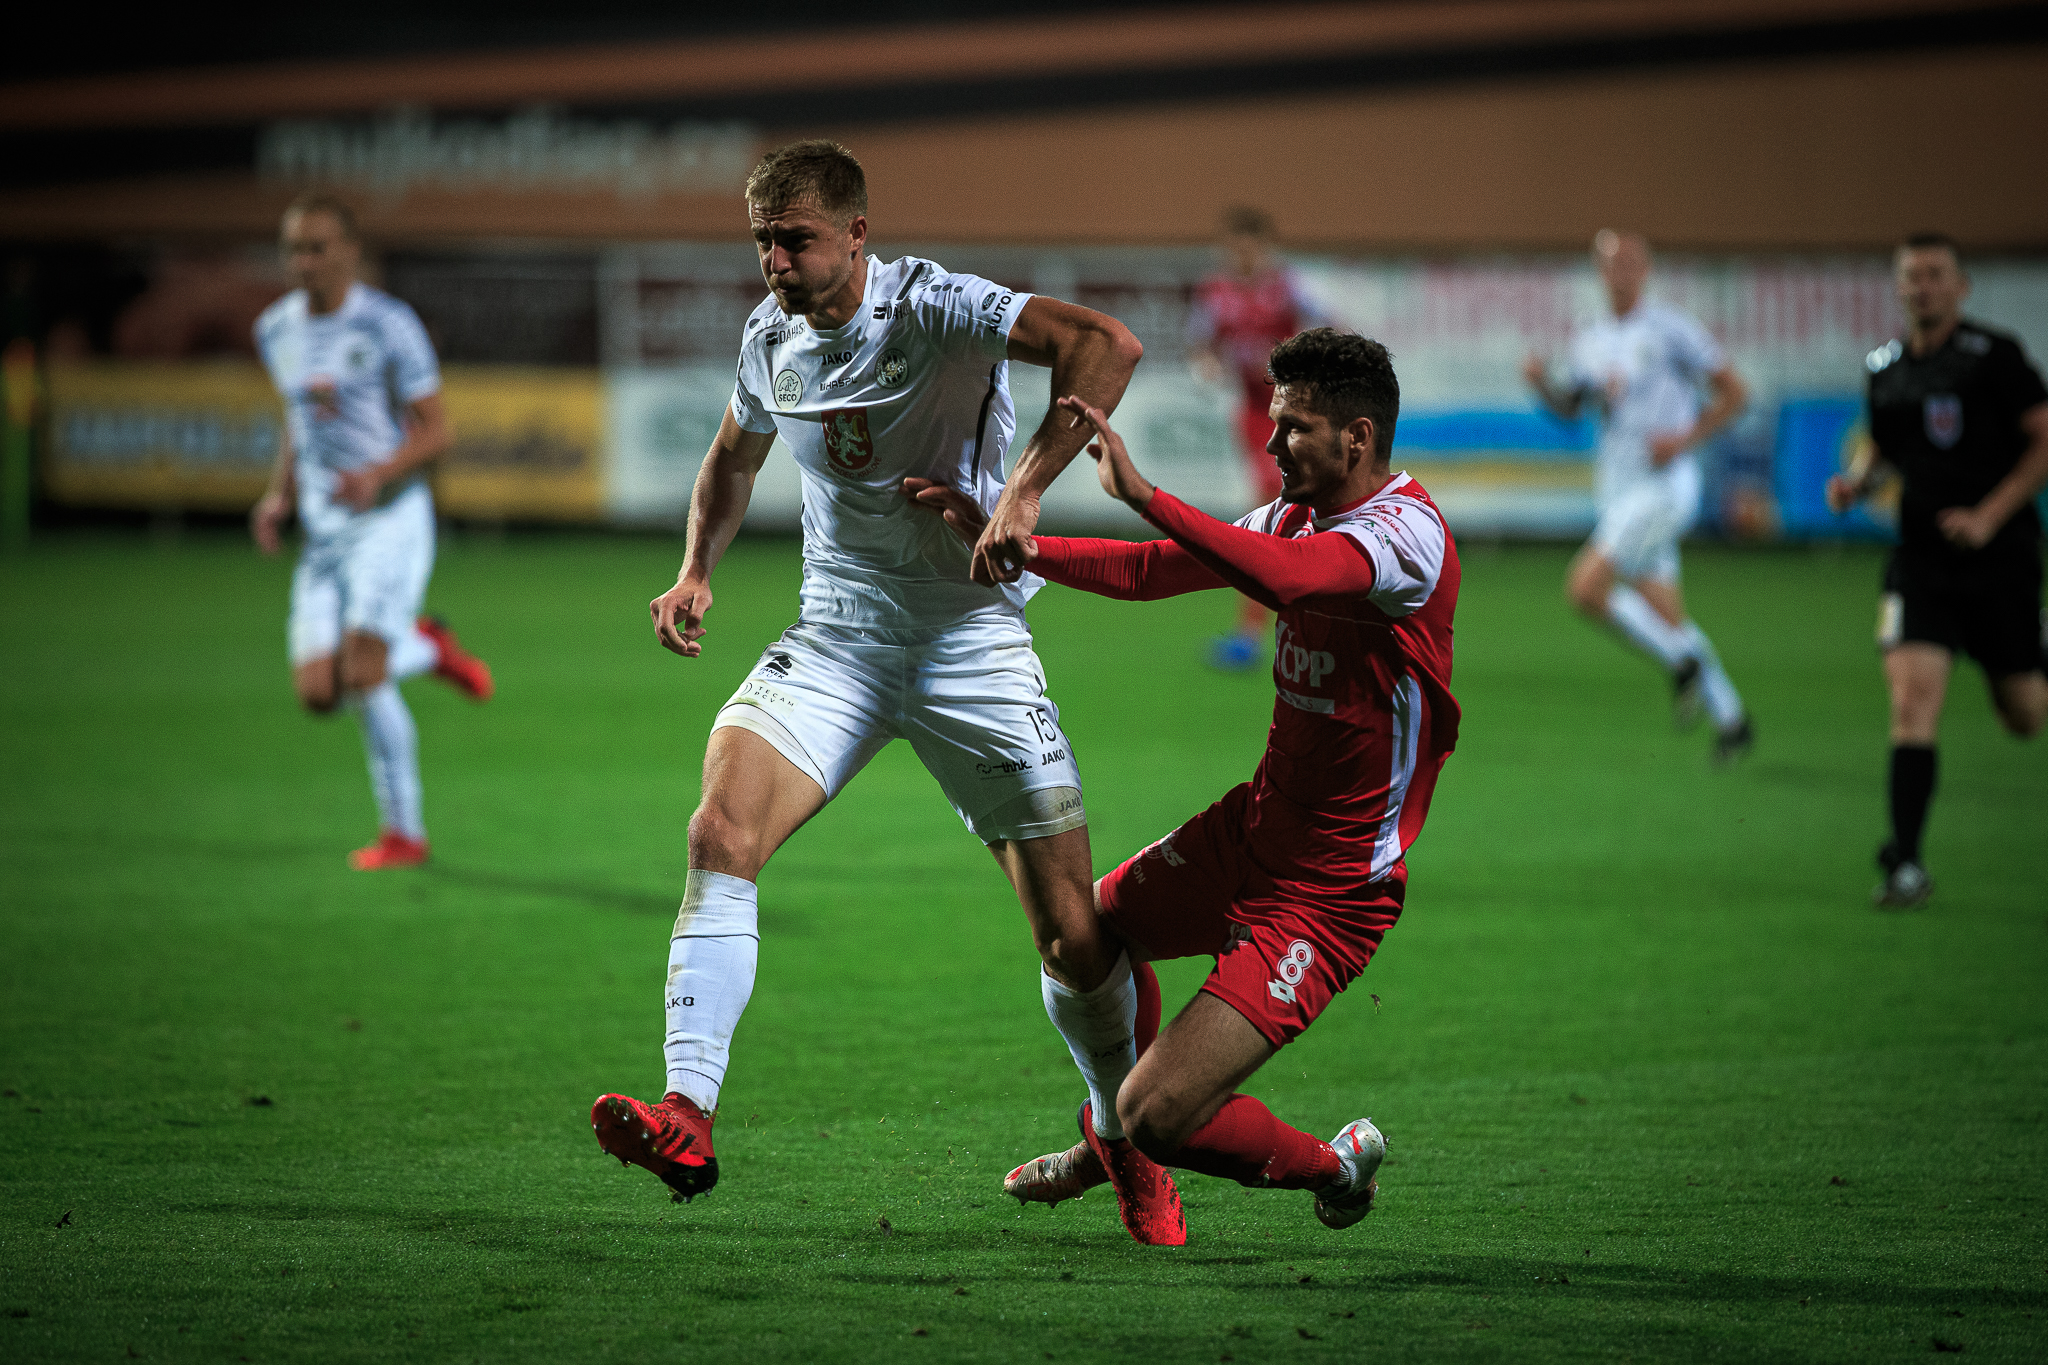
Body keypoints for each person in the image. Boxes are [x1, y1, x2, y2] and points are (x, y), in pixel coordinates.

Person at [589, 142, 1154, 1217]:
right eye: (762, 242)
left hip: (969, 642)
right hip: (837, 640)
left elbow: (1104, 344)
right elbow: (733, 457)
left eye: (794, 240)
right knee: (719, 831)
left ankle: (1124, 1134)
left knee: (1069, 936)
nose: (774, 262)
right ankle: (688, 1112)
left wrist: (1024, 490)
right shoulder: (768, 338)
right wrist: (696, 570)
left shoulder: (934, 305)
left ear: (856, 234)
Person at [909, 329, 1457, 1240]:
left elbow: (1289, 581)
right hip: (1251, 832)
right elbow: (1151, 571)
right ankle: (1112, 1139)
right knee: (1082, 939)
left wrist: (1148, 496)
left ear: (1357, 438)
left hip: (1330, 893)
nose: (1273, 444)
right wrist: (1021, 546)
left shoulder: (1407, 535)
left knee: (1163, 1112)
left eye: (1295, 427)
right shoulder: (1293, 516)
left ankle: (1335, 1166)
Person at [249, 194, 495, 871]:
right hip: (324, 530)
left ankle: (404, 834)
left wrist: (378, 474)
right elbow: (300, 421)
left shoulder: (388, 325)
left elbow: (437, 431)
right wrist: (279, 495)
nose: (304, 261)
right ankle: (428, 646)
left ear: (350, 252)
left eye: (317, 247)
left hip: (390, 518)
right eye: (294, 249)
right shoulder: (275, 328)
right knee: (318, 693)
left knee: (363, 673)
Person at [1827, 232, 2048, 909]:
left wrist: (1988, 515)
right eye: (1912, 276)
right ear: (1898, 288)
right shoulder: (1885, 368)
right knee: (1911, 702)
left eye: (1935, 274)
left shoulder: (1995, 358)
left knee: (2024, 715)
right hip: (1920, 560)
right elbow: (1886, 448)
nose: (1922, 286)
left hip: (2000, 559)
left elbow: (2044, 439)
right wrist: (1858, 483)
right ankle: (1907, 863)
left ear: (1961, 286)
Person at [1523, 230, 1754, 763]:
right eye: (1611, 264)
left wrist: (1684, 438)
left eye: (1630, 263)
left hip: (1664, 487)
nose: (1621, 273)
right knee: (1664, 613)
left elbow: (1735, 392)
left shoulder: (1672, 330)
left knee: (1584, 588)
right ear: (1600, 272)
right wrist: (1541, 384)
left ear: (1646, 270)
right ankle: (1732, 720)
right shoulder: (1590, 339)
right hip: (1618, 489)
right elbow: (1572, 408)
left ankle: (1680, 662)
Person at [1189, 206, 1326, 671]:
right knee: (1277, 506)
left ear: (1264, 246)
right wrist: (1206, 365)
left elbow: (1333, 325)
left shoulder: (1289, 286)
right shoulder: (1215, 292)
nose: (1241, 254)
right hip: (1253, 413)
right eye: (1234, 245)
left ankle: (1266, 628)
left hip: (1296, 409)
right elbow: (1201, 343)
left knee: (1288, 507)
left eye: (1249, 245)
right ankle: (1257, 630)